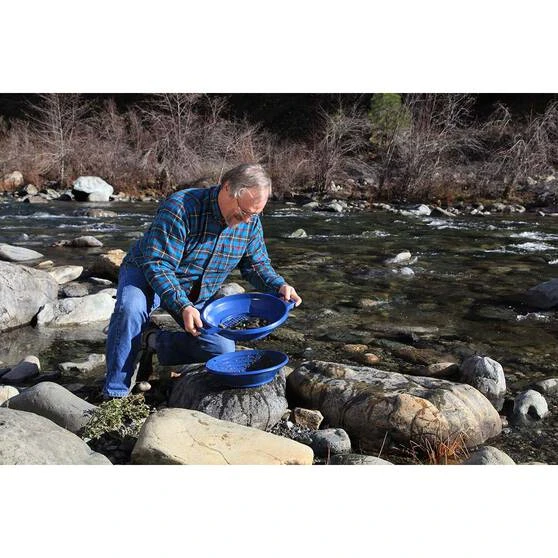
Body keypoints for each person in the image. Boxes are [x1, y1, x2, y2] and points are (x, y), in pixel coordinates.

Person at [103, 163, 302, 398]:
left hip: (195, 290)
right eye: (245, 212)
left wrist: (279, 285)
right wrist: (182, 305)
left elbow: (255, 264)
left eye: (255, 214)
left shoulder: (250, 223)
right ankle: (115, 393)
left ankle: (151, 341)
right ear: (227, 188)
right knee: (130, 310)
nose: (248, 220)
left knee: (221, 349)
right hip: (147, 271)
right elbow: (159, 264)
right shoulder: (181, 207)